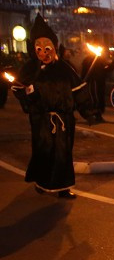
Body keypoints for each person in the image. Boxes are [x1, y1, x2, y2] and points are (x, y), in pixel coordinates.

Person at [12, 15, 94, 199]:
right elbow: (18, 89)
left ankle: (63, 188)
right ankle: (42, 182)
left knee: (63, 154)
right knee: (44, 151)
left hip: (64, 120)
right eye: (39, 49)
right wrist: (29, 95)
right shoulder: (29, 69)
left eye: (47, 48)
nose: (44, 53)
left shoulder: (65, 69)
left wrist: (90, 113)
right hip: (41, 121)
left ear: (54, 47)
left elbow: (79, 90)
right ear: (34, 50)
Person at [80, 47, 113, 124]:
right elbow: (85, 72)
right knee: (94, 98)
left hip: (100, 82)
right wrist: (83, 81)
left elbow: (106, 69)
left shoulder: (101, 60)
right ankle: (92, 115)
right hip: (92, 82)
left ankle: (98, 114)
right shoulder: (87, 60)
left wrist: (111, 65)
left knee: (100, 97)